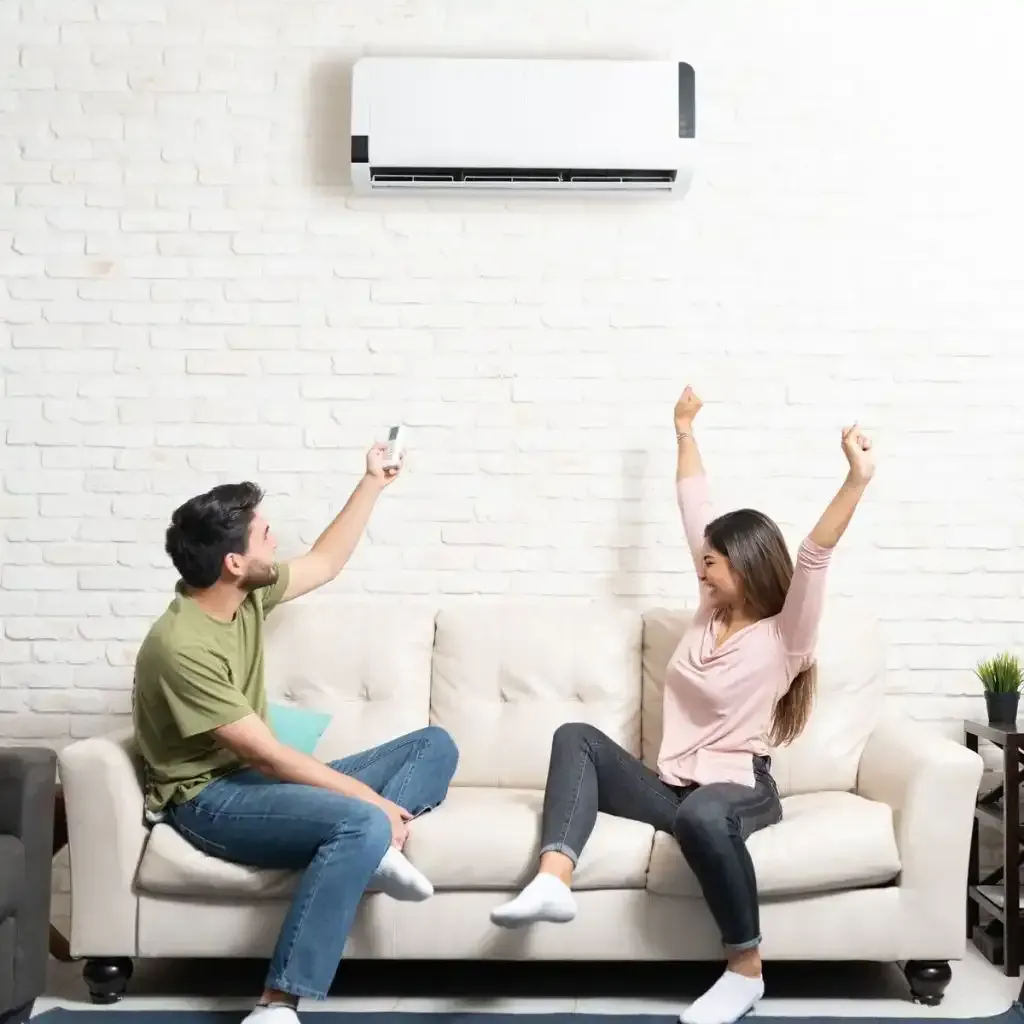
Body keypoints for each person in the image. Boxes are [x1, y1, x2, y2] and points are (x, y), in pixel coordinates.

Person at [490, 385, 876, 1024]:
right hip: (672, 787)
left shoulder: (787, 635)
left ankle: (744, 971)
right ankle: (553, 880)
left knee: (701, 816)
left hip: (737, 787)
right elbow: (694, 504)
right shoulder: (709, 611)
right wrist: (684, 430)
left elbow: (813, 553)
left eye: (712, 563)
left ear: (746, 567)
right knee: (575, 735)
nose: (701, 571)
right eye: (701, 562)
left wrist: (856, 478)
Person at [132, 443, 459, 1024]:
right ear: (234, 563)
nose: (275, 542)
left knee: (434, 745)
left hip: (249, 780)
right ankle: (277, 1003)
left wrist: (372, 483)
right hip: (208, 800)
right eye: (264, 535)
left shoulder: (246, 595)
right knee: (360, 818)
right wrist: (375, 803)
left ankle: (371, 848)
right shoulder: (180, 647)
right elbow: (272, 758)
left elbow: (327, 561)